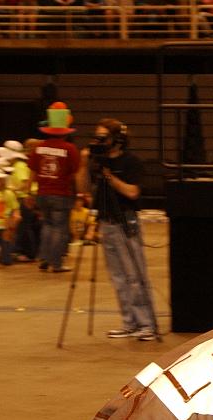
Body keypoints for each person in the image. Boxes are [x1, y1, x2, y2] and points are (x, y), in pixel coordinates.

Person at [76, 117, 157, 342]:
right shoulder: (98, 162)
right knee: (118, 277)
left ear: (117, 139)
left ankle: (146, 324)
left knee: (135, 275)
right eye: (97, 137)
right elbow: (83, 190)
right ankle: (129, 322)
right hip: (106, 222)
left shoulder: (131, 161)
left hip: (126, 221)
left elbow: (132, 192)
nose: (99, 141)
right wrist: (83, 164)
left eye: (103, 137)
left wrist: (110, 177)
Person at [28, 102, 80, 272]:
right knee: (59, 228)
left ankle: (44, 258)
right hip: (61, 194)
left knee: (47, 225)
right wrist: (80, 193)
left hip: (42, 194)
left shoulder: (39, 148)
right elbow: (76, 173)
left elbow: (32, 172)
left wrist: (28, 193)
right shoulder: (70, 149)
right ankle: (56, 263)